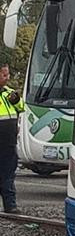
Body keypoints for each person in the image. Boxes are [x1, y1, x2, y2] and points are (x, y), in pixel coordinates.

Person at [0, 64, 25, 214]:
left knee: (8, 173)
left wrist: (16, 101)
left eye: (8, 74)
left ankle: (10, 205)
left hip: (8, 142)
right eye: (4, 75)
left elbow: (22, 108)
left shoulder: (9, 93)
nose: (8, 77)